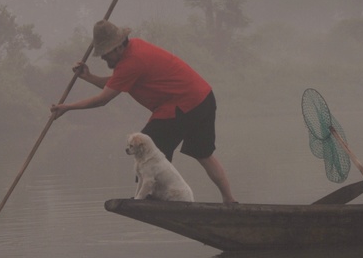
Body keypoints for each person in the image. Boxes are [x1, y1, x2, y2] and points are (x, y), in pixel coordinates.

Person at [50, 20, 237, 204]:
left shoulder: (131, 62)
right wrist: (89, 77)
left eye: (105, 54)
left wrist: (67, 108)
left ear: (117, 48)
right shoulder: (135, 48)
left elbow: (103, 99)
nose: (104, 58)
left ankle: (148, 198)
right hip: (203, 97)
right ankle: (229, 200)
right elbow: (116, 84)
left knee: (144, 150)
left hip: (181, 104)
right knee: (204, 154)